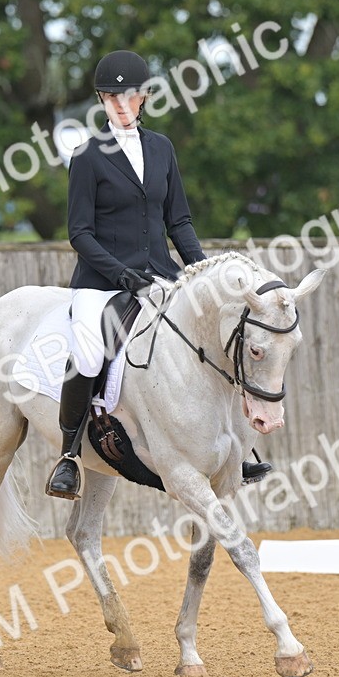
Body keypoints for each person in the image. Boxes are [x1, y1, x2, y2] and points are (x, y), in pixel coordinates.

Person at [45, 49, 271, 500]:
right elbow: (80, 233)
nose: (122, 105)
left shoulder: (162, 148)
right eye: (112, 98)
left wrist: (205, 273)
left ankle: (236, 450)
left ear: (144, 96)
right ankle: (69, 455)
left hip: (161, 276)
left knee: (213, 341)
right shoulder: (87, 156)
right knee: (90, 355)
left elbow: (179, 222)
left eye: (130, 96)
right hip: (101, 283)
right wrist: (122, 275)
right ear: (101, 100)